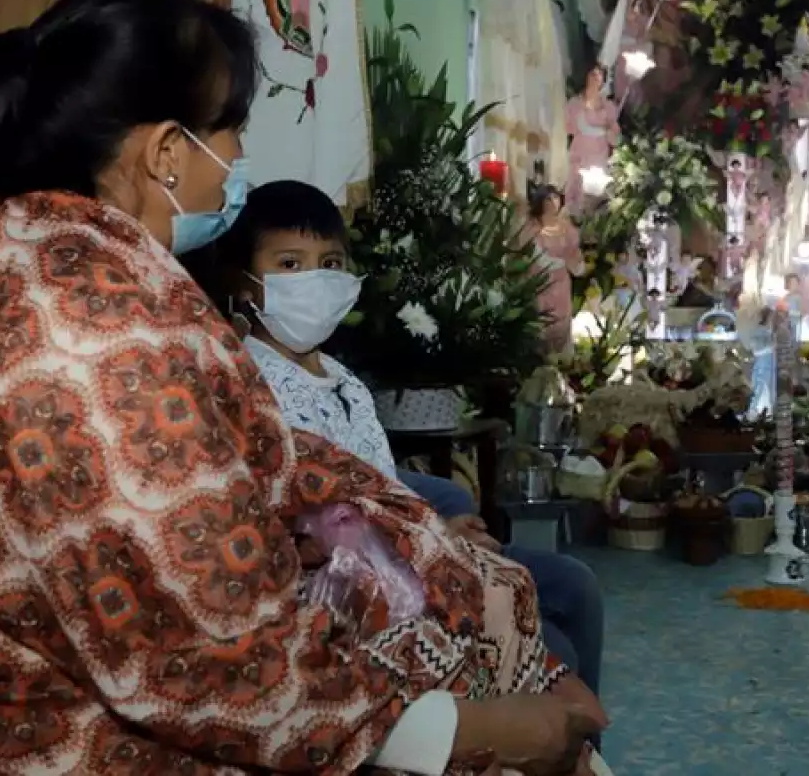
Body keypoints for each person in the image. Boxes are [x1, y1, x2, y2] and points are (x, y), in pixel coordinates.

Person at [0, 0, 603, 774]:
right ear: (165, 152)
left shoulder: (61, 268)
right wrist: (490, 729)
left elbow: (259, 469)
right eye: (230, 130)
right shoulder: (90, 342)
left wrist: (425, 545)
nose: (236, 161)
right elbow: (225, 673)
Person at [206, 178, 607, 703]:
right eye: (289, 264)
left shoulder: (342, 378)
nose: (315, 280)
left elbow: (383, 486)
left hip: (409, 548)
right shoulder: (251, 387)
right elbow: (323, 525)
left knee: (575, 585)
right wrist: (432, 538)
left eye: (330, 264)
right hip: (360, 587)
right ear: (243, 284)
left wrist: (436, 526)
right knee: (555, 648)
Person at [525, 185, 586, 352]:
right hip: (541, 284)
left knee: (562, 326)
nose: (553, 203)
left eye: (556, 198)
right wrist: (563, 262)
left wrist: (578, 265)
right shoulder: (532, 229)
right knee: (542, 328)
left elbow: (578, 263)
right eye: (548, 199)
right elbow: (538, 259)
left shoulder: (568, 229)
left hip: (562, 287)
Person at [563, 65, 621, 214]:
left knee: (593, 200)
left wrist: (608, 130)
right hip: (579, 155)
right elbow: (567, 129)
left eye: (599, 75)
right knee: (574, 192)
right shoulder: (574, 104)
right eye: (592, 73)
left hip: (598, 158)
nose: (595, 78)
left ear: (603, 81)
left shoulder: (609, 108)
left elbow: (616, 139)